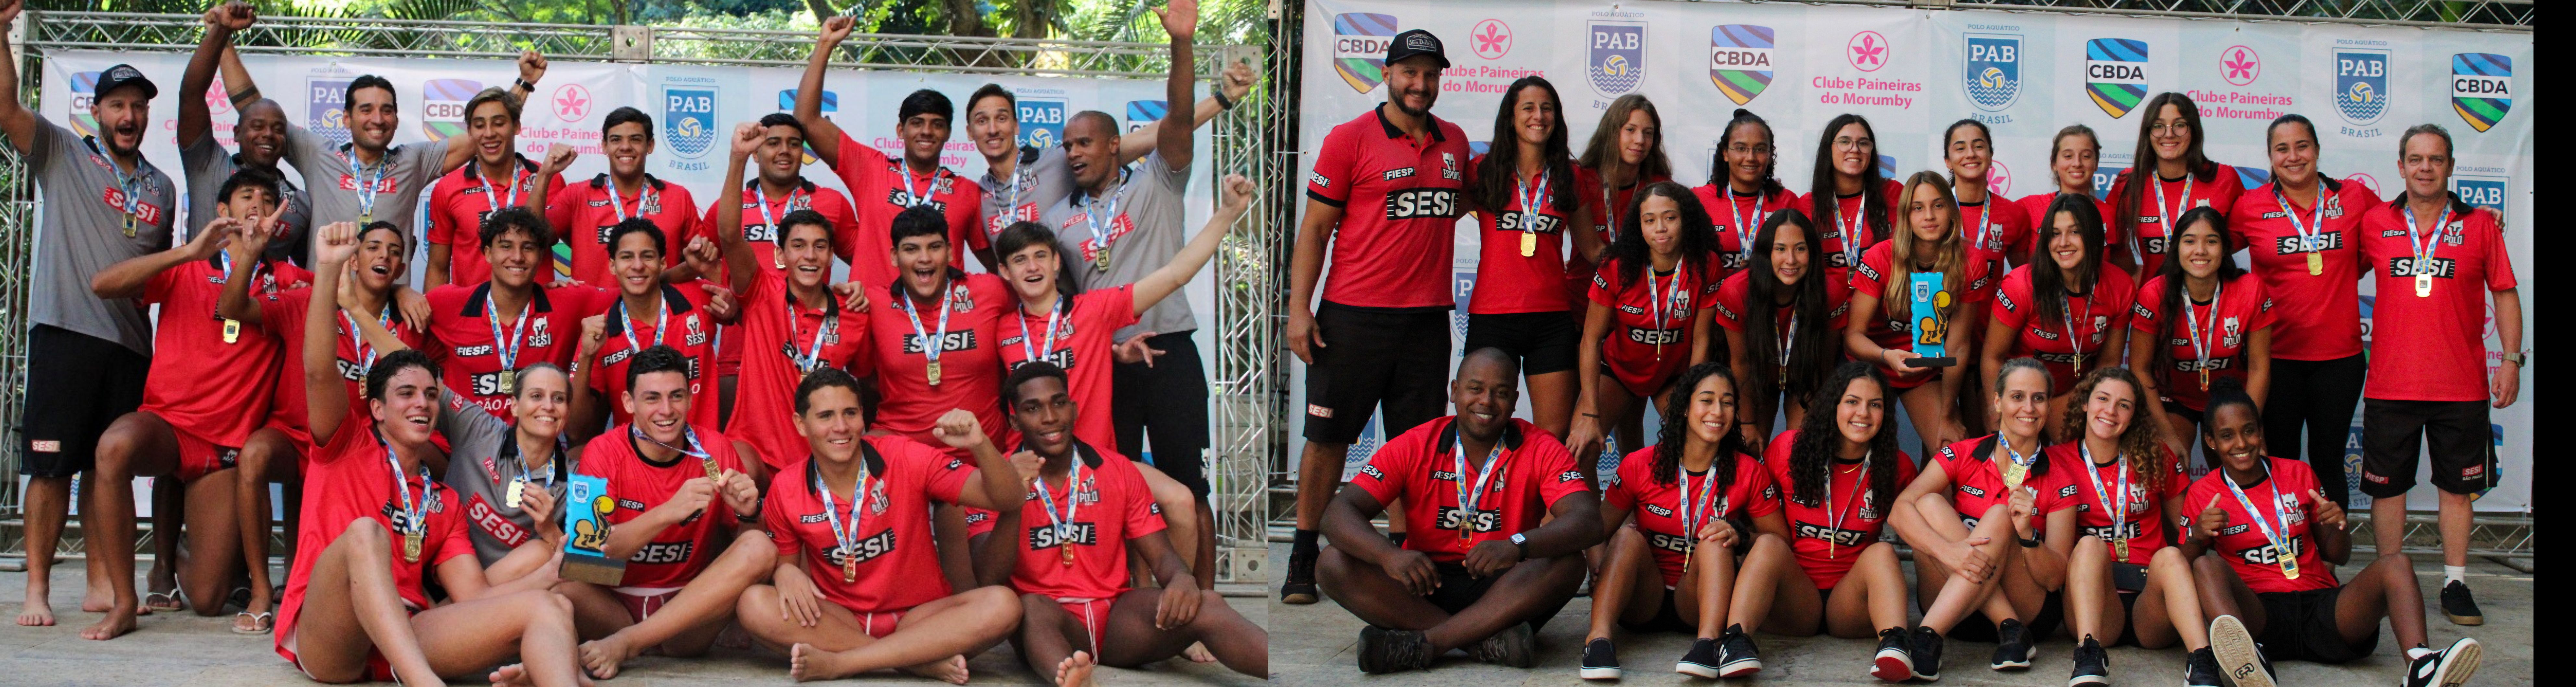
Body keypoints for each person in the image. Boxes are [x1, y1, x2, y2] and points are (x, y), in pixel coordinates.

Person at [275, 221, 584, 687]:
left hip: (412, 631)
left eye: (430, 395)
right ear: (376, 408)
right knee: (366, 534)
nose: (421, 402)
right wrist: (331, 273)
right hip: (335, 639)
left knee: (554, 604)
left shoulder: (444, 500)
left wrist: (551, 566)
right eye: (406, 394)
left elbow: (476, 593)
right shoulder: (346, 445)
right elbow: (319, 372)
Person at [1036, 0, 1224, 591]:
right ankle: (1135, 597)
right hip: (1102, 362)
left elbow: (1175, 116)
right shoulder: (1058, 219)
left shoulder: (1159, 183)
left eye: (1086, 143)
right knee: (1112, 487)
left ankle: (1206, 602)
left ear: (1116, 145)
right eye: (1068, 145)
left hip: (1168, 349)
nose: (1073, 153)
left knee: (1188, 488)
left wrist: (1181, 45)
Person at [2, 0, 179, 625]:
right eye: (117, 105)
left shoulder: (163, 186)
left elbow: (159, 275)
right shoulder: (62, 152)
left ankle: (104, 580)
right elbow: (7, 109)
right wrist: (0, 32)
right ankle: (38, 590)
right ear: (97, 112)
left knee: (110, 468)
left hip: (130, 347)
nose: (128, 116)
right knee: (51, 465)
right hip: (64, 332)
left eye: (137, 106)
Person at [1281, 28, 1472, 604]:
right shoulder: (1350, 139)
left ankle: (1407, 550)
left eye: (1430, 74)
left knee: (1415, 445)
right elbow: (1314, 230)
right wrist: (1298, 311)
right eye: (1409, 73)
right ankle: (1302, 555)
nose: (1420, 84)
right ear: (1387, 75)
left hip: (1424, 321)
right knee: (1327, 437)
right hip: (1353, 317)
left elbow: (1459, 200)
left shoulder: (1456, 142)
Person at [990, 176, 1253, 589]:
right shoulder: (999, 328)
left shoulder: (1095, 310)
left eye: (1041, 256)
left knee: (1182, 500)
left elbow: (1174, 274)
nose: (1033, 267)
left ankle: (1172, 612)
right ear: (1004, 271)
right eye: (1020, 260)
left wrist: (1226, 213)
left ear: (1058, 262)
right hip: (1030, 461)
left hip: (1098, 458)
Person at [81, 173, 300, 640]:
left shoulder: (287, 281)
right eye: (247, 197)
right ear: (223, 212)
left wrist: (401, 292)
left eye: (269, 200)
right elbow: (102, 284)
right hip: (169, 428)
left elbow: (353, 288)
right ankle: (124, 602)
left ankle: (177, 553)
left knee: (207, 600)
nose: (259, 206)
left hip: (225, 451)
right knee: (114, 447)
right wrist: (186, 251)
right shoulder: (187, 266)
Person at [1315, 348, 1602, 673]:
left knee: (1567, 563)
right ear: (1454, 391)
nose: (1487, 401)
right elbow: (1337, 513)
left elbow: (1587, 520)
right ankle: (1483, 642)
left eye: (1501, 393)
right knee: (1332, 562)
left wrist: (1517, 544)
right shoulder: (1415, 443)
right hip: (1424, 581)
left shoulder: (1540, 446)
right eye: (1475, 388)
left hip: (1503, 587)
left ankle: (1426, 644)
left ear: (1515, 399)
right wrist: (1388, 555)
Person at [739, 368, 1031, 683]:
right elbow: (792, 582)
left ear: (863, 417)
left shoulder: (905, 454)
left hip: (921, 618)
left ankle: (846, 663)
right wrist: (784, 572)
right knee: (753, 603)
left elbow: (1008, 497)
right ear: (801, 424)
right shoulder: (785, 486)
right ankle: (914, 660)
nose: (840, 426)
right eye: (826, 415)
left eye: (850, 413)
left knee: (1004, 605)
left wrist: (980, 444)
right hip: (842, 621)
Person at [2186, 380, 2485, 687]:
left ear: (2260, 430)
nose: (2241, 443)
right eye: (2226, 435)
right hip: (2260, 615)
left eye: (2248, 430)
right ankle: (2247, 661)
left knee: (2396, 563)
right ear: (2210, 440)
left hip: (2323, 608)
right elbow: (2185, 565)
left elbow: (2337, 555)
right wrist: (2196, 535)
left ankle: (2421, 666)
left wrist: (2338, 525)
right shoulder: (2203, 492)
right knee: (2204, 566)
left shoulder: (2298, 473)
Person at [998, 363, 1270, 684]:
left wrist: (1182, 577)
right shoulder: (997, 477)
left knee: (1207, 602)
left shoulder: (1117, 469)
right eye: (1033, 408)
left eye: (1058, 403)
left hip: (1116, 619)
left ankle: (1282, 673)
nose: (1049, 417)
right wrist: (1012, 498)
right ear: (1015, 420)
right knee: (1030, 607)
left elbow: (1160, 555)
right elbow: (988, 577)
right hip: (1048, 621)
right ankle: (1071, 677)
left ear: (1072, 408)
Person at [221, 219, 426, 634]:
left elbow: (418, 373)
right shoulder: (309, 301)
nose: (383, 257)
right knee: (255, 453)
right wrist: (252, 254)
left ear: (402, 268)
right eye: (372, 247)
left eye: (392, 251)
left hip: (357, 451)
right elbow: (233, 309)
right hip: (296, 437)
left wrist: (375, 304)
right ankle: (262, 591)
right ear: (353, 257)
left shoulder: (408, 317)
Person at [2356, 123, 2521, 628]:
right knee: (2388, 489)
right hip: (2390, 382)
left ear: (2450, 166)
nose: (2425, 167)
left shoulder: (2480, 226)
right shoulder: (2373, 222)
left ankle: (2455, 582)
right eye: (2415, 159)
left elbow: (2506, 292)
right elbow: (2334, 271)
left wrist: (2511, 359)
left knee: (2456, 490)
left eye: (2435, 159)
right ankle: (2389, 580)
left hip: (2460, 384)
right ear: (2400, 165)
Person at [561, 345, 776, 679]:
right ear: (629, 403)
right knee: (557, 587)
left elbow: (752, 554)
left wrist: (749, 515)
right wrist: (667, 512)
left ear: (691, 398)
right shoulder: (602, 450)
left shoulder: (715, 448)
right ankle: (607, 643)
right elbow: (586, 560)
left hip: (686, 612)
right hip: (613, 605)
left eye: (676, 396)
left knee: (761, 547)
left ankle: (629, 643)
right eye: (652, 398)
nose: (666, 410)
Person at [216, 10, 506, 242]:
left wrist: (523, 85)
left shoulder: (412, 160)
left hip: (387, 307)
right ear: (346, 118)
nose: (377, 119)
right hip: (326, 305)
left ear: (396, 120)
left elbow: (479, 138)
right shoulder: (318, 154)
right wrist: (223, 37)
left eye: (387, 111)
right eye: (366, 110)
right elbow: (253, 106)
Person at [1579, 362, 1788, 681]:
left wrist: (1740, 532)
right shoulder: (1639, 464)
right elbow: (1597, 530)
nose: (1717, 410)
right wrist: (1598, 568)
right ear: (1685, 407)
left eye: (1728, 401)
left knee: (1715, 539)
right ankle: (1597, 641)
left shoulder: (1748, 470)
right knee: (1626, 537)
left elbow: (1779, 541)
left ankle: (1708, 643)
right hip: (1643, 598)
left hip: (1699, 600)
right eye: (1706, 400)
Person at [962, 50, 1253, 256]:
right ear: (969, 132)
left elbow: (1152, 135)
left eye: (1001, 119)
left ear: (1016, 125)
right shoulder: (979, 195)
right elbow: (993, 262)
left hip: (1077, 309)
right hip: (1024, 321)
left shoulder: (1059, 160)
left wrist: (1224, 98)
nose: (992, 130)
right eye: (981, 121)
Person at [1886, 357, 2076, 673]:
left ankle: (1926, 637)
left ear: (2047, 406)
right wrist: (1949, 552)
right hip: (1965, 615)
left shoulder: (2060, 478)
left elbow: (2055, 578)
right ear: (1997, 401)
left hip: (2028, 607)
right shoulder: (1963, 453)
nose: (2028, 407)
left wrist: (2027, 534)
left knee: (1999, 516)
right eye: (2017, 396)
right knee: (1928, 503)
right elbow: (1898, 512)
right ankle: (2007, 624)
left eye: (2038, 398)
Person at [2224, 114, 2376, 509]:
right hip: (2273, 359)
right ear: (2270, 157)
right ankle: (2284, 559)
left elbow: (2408, 217)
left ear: (2317, 150)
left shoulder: (2354, 197)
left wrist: (2476, 215)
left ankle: (2327, 564)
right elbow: (2204, 250)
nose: (2293, 157)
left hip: (2339, 360)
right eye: (2282, 149)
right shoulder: (2250, 206)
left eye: (2302, 146)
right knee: (2279, 462)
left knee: (2328, 461)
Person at [2049, 367, 2229, 687]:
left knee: (2171, 556)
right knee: (2089, 544)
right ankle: (2089, 653)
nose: (2110, 410)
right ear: (2084, 405)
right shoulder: (2056, 460)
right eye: (2102, 399)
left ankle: (2201, 659)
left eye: (2123, 404)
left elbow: (2184, 526)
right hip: (2097, 603)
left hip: (2151, 602)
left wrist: (2199, 531)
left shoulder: (2155, 456)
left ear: (2133, 415)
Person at [693, 112, 863, 423]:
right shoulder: (728, 206)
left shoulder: (831, 203)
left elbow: (868, 258)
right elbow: (703, 259)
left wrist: (863, 290)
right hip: (740, 347)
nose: (784, 150)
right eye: (773, 143)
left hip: (814, 348)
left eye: (794, 144)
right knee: (741, 451)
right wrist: (724, 286)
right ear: (757, 152)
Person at [1760, 362, 1920, 682]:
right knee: (1767, 543)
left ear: (1885, 415)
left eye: (1874, 405)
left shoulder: (1897, 466)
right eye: (1852, 401)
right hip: (1795, 597)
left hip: (1852, 603)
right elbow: (1755, 513)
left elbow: (1920, 526)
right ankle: (1732, 639)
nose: (1863, 412)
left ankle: (1893, 644)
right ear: (1832, 405)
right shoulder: (1787, 448)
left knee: (1882, 553)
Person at [797, 16, 981, 287]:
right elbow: (807, 120)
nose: (926, 132)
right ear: (900, 130)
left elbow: (1000, 261)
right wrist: (825, 44)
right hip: (873, 315)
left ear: (948, 134)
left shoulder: (967, 191)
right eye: (917, 123)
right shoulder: (872, 169)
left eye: (937, 125)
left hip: (940, 320)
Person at [1462, 76, 1593, 441]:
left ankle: (1539, 501)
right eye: (1529, 108)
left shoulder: (1570, 176)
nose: (1539, 116)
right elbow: (1437, 220)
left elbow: (1593, 249)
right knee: (1482, 425)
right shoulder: (1482, 170)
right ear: (1510, 117)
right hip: (1491, 316)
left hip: (1550, 321)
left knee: (1552, 433)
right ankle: (1484, 499)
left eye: (1547, 108)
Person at [1565, 182, 1720, 475]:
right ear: (1639, 226)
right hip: (1619, 370)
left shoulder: (1705, 264)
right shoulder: (1617, 265)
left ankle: (1662, 519)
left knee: (1697, 441)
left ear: (1685, 219)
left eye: (1670, 217)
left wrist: (1692, 399)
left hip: (1672, 374)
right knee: (1581, 449)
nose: (1660, 228)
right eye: (1649, 220)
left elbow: (1701, 342)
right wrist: (1589, 413)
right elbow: (1591, 340)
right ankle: (1580, 522)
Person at [1843, 171, 1999, 458]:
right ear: (1906, 215)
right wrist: (1886, 355)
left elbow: (1958, 345)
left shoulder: (1972, 261)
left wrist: (1947, 413)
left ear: (1952, 211)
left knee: (1950, 451)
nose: (1929, 216)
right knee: (1861, 452)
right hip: (1872, 364)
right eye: (1918, 208)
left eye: (1938, 205)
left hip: (1925, 370)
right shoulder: (1881, 256)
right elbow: (1853, 337)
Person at [422, 207, 610, 424]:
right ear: (488, 253)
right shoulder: (447, 303)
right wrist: (400, 292)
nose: (518, 257)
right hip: (466, 449)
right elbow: (398, 341)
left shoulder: (570, 300)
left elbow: (637, 294)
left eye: (528, 248)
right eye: (506, 246)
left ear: (541, 256)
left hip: (538, 447)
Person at [2128, 207, 2274, 460]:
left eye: (2211, 241)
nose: (2200, 251)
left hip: (2229, 397)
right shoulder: (2154, 293)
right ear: (2176, 248)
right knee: (2168, 463)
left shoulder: (2250, 289)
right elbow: (2139, 369)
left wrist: (2249, 429)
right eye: (2189, 241)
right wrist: (2167, 435)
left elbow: (2260, 368)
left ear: (2225, 248)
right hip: (2174, 399)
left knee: (2243, 462)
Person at [1984, 194, 2134, 434]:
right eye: (2055, 233)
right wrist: (1997, 413)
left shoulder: (2120, 286)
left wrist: (2075, 411)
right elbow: (1993, 357)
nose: (2063, 242)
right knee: (2017, 465)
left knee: (2077, 458)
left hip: (2072, 394)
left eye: (2074, 232)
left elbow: (2106, 366)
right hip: (2021, 396)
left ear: (2094, 236)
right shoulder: (2021, 284)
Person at [180, 2, 312, 266]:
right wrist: (220, 33)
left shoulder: (300, 203)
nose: (268, 135)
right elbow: (191, 95)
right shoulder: (208, 165)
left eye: (278, 129)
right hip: (203, 304)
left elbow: (308, 270)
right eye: (257, 127)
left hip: (262, 306)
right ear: (237, 133)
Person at [565, 220, 724, 434]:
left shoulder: (700, 296)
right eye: (627, 257)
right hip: (638, 460)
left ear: (663, 263)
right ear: (613, 265)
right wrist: (586, 356)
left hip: (703, 453)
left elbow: (752, 298)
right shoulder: (600, 332)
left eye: (647, 256)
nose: (638, 265)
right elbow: (575, 430)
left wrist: (730, 301)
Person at [1715, 209, 1849, 452]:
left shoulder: (1831, 292)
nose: (1791, 260)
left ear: (1812, 253)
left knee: (1801, 450)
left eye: (1800, 249)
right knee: (1749, 450)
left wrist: (1815, 417)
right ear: (1766, 253)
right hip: (1755, 378)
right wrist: (1746, 422)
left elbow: (1824, 364)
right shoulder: (1736, 290)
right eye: (1780, 249)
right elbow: (1741, 362)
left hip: (1804, 379)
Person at [530, 107, 705, 287]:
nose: (626, 147)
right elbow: (532, 237)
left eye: (636, 140)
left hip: (657, 313)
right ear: (604, 146)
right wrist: (545, 174)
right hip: (592, 313)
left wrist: (660, 281)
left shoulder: (678, 197)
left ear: (650, 146)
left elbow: (702, 260)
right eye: (616, 140)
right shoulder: (577, 195)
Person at [426, 86, 565, 288]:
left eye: (499, 124)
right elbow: (438, 269)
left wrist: (543, 177)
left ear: (516, 126)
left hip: (536, 312)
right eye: (480, 126)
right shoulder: (448, 188)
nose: (489, 134)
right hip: (474, 312)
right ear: (470, 132)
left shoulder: (549, 178)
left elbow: (547, 238)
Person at [2109, 92, 2242, 285]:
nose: (2169, 134)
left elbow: (2246, 237)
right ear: (2148, 132)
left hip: (2213, 302)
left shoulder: (2223, 178)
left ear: (2194, 131)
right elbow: (2115, 246)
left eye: (2180, 125)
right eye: (2158, 126)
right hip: (2155, 305)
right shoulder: (2129, 183)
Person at [1568, 94, 1674, 313]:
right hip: (1582, 305)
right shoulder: (1582, 179)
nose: (1640, 140)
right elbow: (1593, 252)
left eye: (1648, 133)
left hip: (1639, 309)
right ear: (1612, 132)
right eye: (1630, 130)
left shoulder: (1661, 186)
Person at [1800, 113, 1901, 283]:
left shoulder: (1894, 193)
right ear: (1828, 148)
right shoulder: (1807, 205)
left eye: (1863, 143)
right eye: (1845, 142)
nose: (1855, 149)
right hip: (1828, 305)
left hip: (1883, 303)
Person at [1696, 109, 1797, 278]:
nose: (1751, 157)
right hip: (1712, 302)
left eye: (1760, 149)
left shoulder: (1789, 202)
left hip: (1768, 302)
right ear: (1726, 154)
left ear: (1770, 155)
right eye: (1741, 148)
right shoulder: (1699, 200)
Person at [2015, 125, 2114, 269]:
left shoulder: (2111, 214)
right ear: (2054, 163)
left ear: (2096, 163)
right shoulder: (2028, 208)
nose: (2077, 163)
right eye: (2068, 156)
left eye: (2086, 156)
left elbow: (2120, 271)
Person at [1946, 119, 2031, 267]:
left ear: (1991, 156)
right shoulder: (1934, 212)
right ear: (1948, 162)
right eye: (1961, 149)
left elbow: (2024, 277)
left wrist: (2008, 288)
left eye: (1979, 146)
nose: (1971, 154)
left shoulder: (2014, 214)